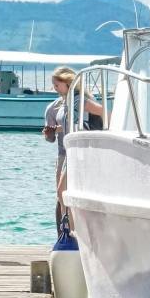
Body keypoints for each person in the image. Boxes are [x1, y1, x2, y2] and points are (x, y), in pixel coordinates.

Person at [44, 66, 101, 238]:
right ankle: (66, 235)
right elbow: (70, 125)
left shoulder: (79, 100)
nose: (54, 88)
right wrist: (53, 131)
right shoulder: (61, 104)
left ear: (67, 83)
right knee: (61, 196)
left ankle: (74, 235)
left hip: (79, 154)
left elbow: (105, 114)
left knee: (64, 193)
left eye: (56, 84)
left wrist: (95, 136)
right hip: (66, 153)